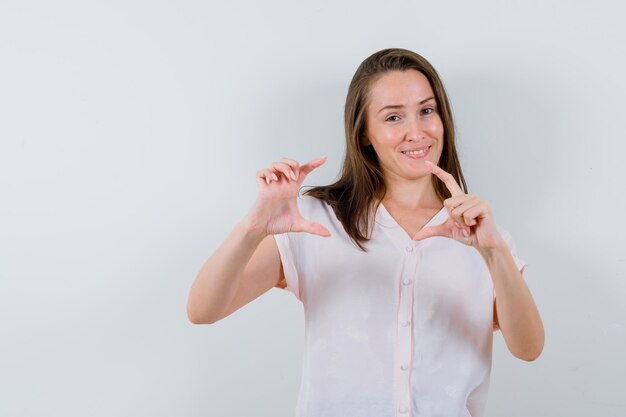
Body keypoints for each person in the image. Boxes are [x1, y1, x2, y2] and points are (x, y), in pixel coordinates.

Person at [187, 48, 544, 417]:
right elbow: (203, 310)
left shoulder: (480, 233)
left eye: (426, 110)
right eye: (393, 117)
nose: (416, 131)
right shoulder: (316, 220)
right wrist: (252, 228)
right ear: (364, 135)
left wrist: (493, 252)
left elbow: (529, 348)